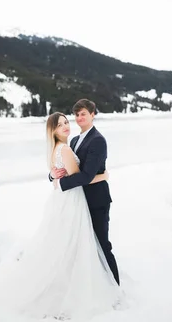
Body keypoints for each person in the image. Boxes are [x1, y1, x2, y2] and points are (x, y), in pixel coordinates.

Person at [0, 110, 121, 320]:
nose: (67, 126)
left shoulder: (60, 147)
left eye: (66, 122)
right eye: (60, 125)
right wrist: (103, 175)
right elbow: (82, 178)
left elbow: (61, 173)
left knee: (70, 245)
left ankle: (78, 283)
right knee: (75, 245)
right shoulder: (66, 148)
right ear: (53, 130)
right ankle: (81, 289)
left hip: (67, 200)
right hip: (72, 200)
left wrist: (55, 177)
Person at [51, 99, 120, 285]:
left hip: (96, 200)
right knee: (81, 245)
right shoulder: (73, 140)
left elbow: (87, 176)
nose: (79, 118)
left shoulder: (98, 140)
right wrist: (53, 176)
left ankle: (115, 286)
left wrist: (61, 184)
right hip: (77, 201)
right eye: (77, 114)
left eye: (84, 114)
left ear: (92, 115)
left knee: (102, 244)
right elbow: (66, 167)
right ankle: (91, 284)